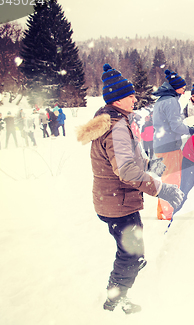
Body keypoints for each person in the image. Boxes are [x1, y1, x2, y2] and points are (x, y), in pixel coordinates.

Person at [76, 63, 184, 314]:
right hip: (118, 202)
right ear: (117, 100)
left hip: (113, 200)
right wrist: (161, 189)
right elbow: (125, 170)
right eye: (130, 95)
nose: (135, 98)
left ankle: (133, 266)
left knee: (133, 250)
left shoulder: (114, 122)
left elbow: (129, 161)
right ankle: (114, 300)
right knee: (128, 254)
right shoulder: (117, 127)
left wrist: (150, 165)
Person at [152, 69, 194, 220]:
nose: (184, 92)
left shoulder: (161, 100)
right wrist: (190, 130)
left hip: (161, 144)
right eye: (183, 89)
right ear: (175, 87)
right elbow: (176, 126)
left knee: (166, 178)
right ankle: (167, 214)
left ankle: (163, 212)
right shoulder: (171, 101)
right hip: (169, 146)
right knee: (171, 180)